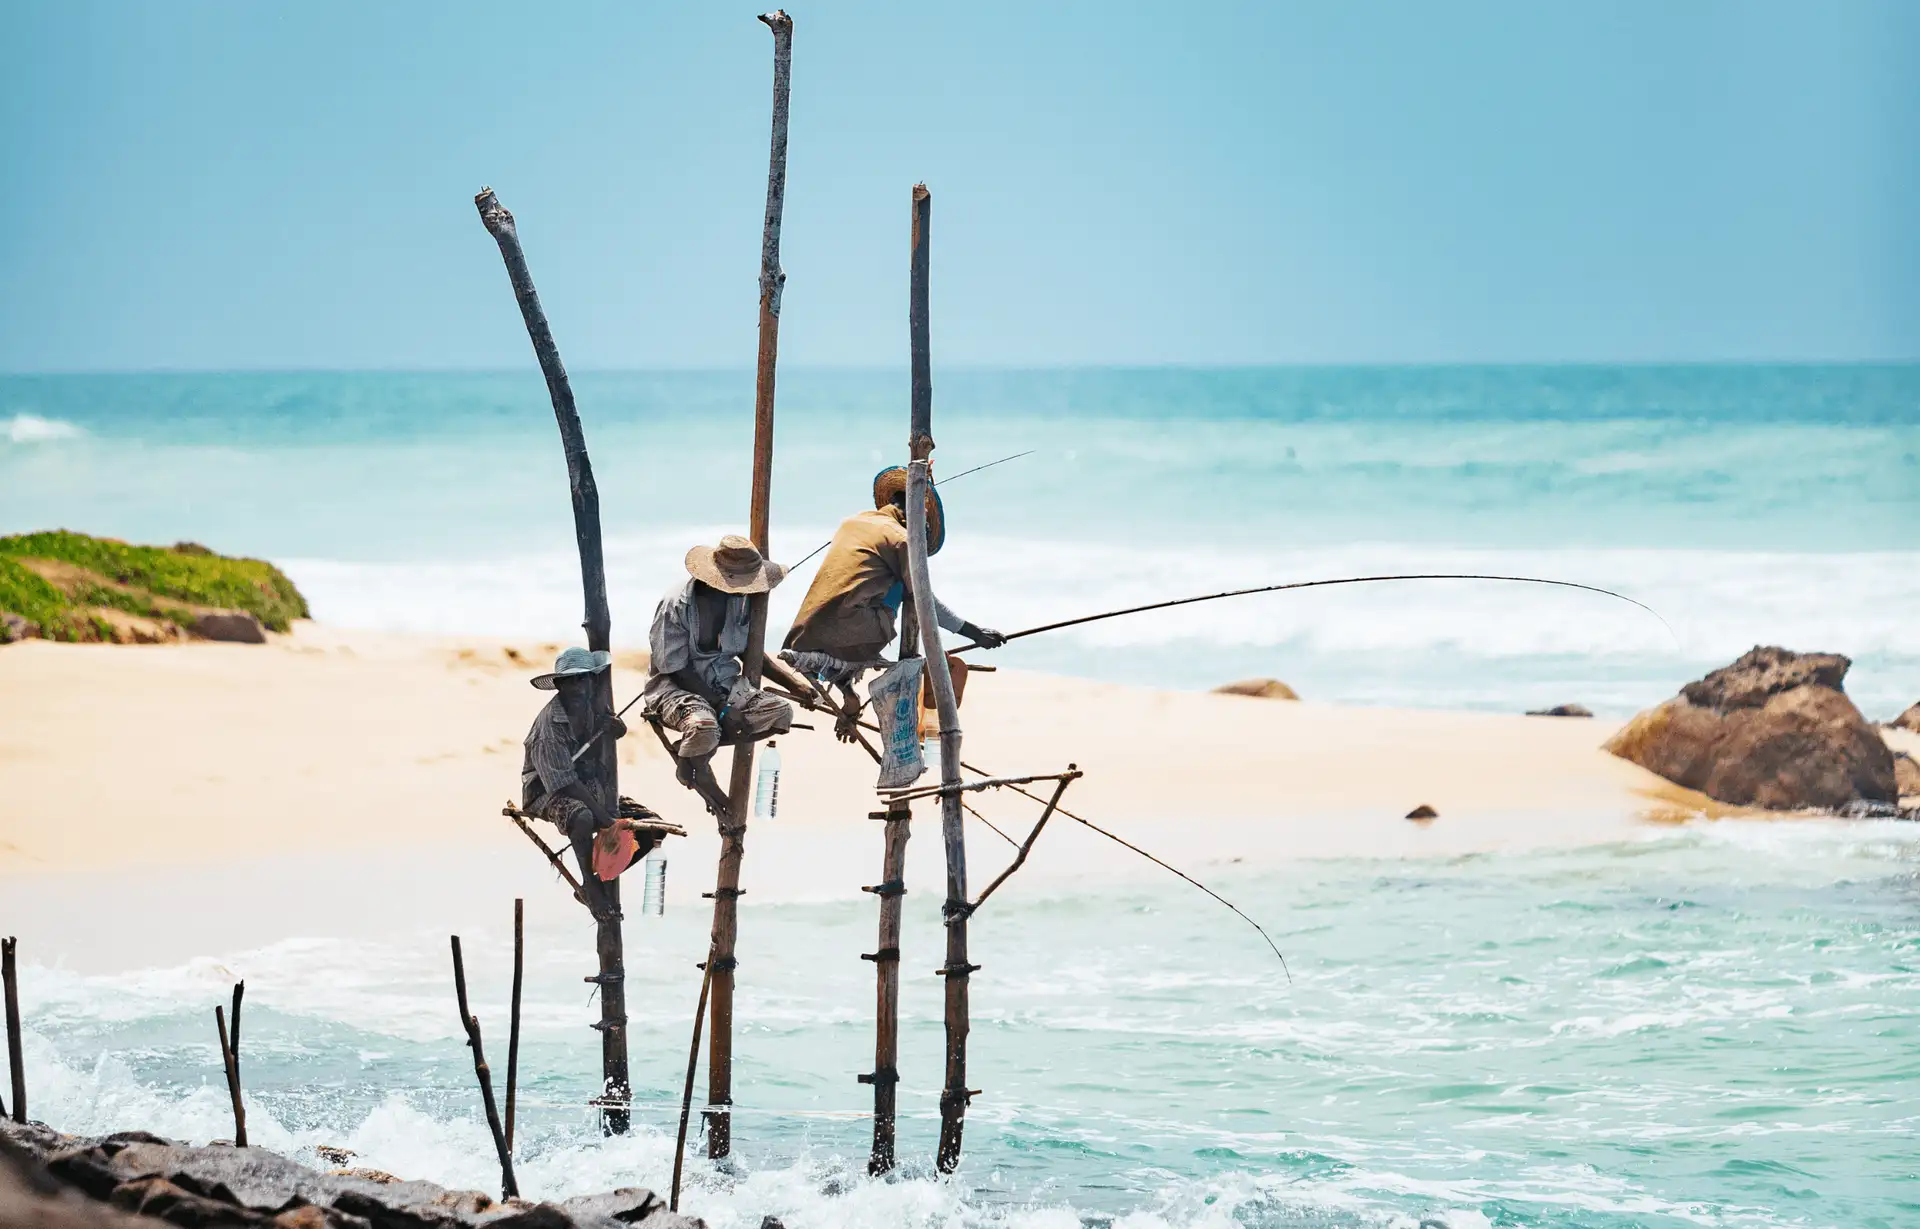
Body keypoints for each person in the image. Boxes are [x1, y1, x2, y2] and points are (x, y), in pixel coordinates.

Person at [782, 466, 1005, 727]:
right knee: (906, 585)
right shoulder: (902, 540)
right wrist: (974, 633)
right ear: (919, 513)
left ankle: (845, 686)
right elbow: (924, 601)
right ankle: (865, 668)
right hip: (855, 633)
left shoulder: (852, 522)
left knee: (866, 583)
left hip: (805, 633)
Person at [642, 534, 795, 811]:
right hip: (677, 689)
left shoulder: (739, 602)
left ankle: (694, 755)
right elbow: (675, 670)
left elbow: (750, 652)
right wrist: (722, 709)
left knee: (780, 714)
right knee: (705, 725)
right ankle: (700, 762)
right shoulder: (675, 605)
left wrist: (797, 687)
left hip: (725, 683)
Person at [521, 646, 657, 905]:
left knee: (652, 827)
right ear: (559, 685)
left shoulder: (595, 705)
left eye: (582, 678)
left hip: (585, 783)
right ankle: (590, 883)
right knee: (582, 815)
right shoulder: (548, 730)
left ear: (592, 680)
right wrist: (605, 818)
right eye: (570, 681)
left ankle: (604, 871)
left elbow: (604, 739)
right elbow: (563, 783)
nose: (578, 687)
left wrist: (616, 729)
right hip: (546, 792)